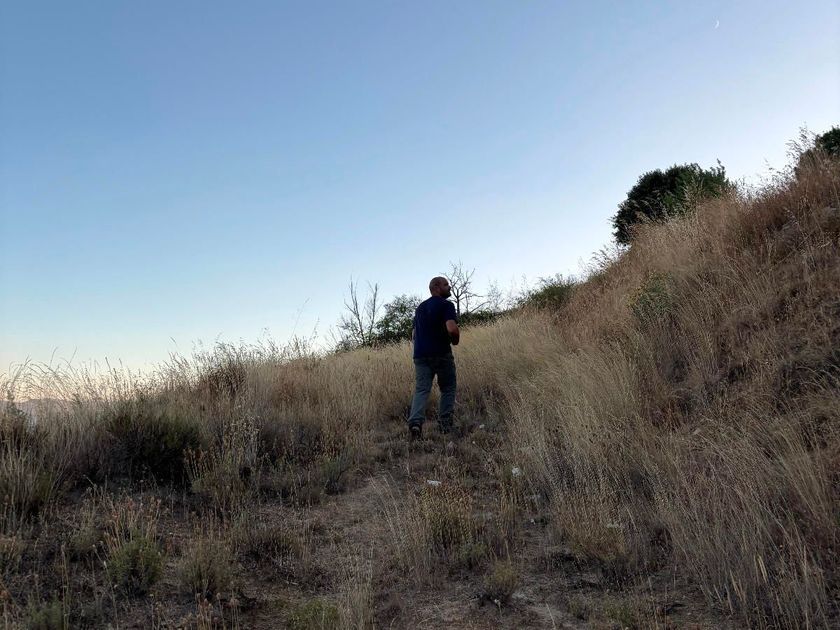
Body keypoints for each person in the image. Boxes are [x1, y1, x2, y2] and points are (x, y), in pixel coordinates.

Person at [407, 276, 460, 438]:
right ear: (436, 287)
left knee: (422, 389)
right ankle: (445, 425)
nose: (449, 287)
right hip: (441, 353)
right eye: (446, 284)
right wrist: (455, 340)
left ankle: (415, 423)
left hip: (420, 355)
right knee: (448, 388)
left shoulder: (420, 308)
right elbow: (452, 328)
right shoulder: (446, 305)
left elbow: (413, 334)